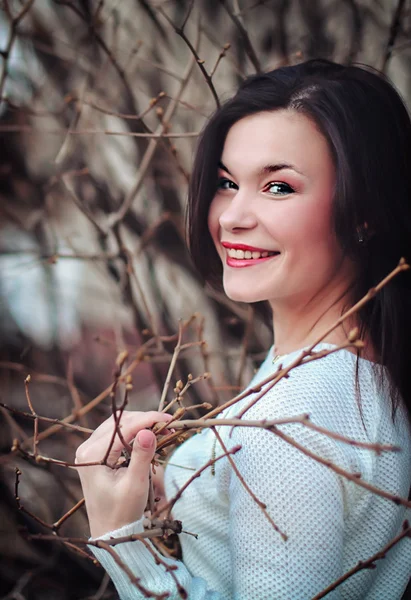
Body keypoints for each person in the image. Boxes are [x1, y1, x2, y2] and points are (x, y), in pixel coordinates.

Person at [75, 59, 411, 599]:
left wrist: (123, 542)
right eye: (228, 182)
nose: (233, 216)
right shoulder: (358, 366)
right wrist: (193, 484)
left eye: (278, 187)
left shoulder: (293, 420)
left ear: (365, 210)